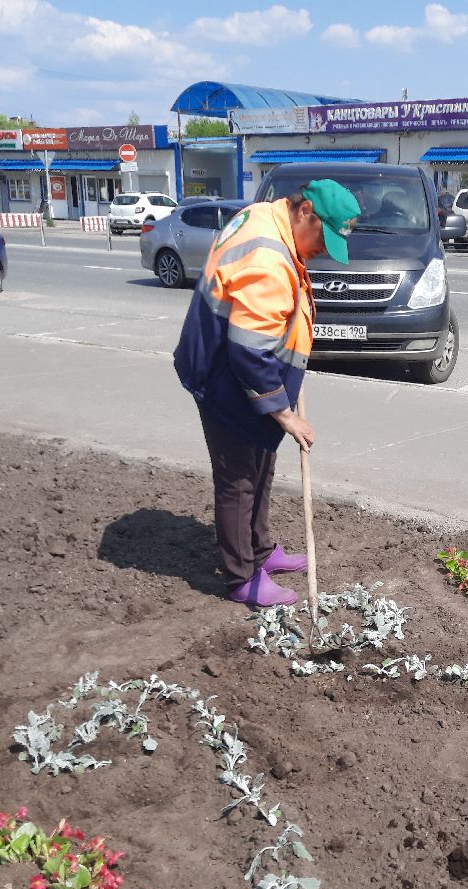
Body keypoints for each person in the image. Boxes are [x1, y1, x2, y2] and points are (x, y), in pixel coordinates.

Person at [173, 178, 361, 608]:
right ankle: (243, 577)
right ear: (305, 211)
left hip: (237, 368)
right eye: (323, 239)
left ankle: (260, 550)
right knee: (239, 478)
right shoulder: (270, 257)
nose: (322, 252)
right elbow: (249, 350)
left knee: (262, 464)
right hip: (225, 377)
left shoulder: (264, 216)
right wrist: (285, 414)